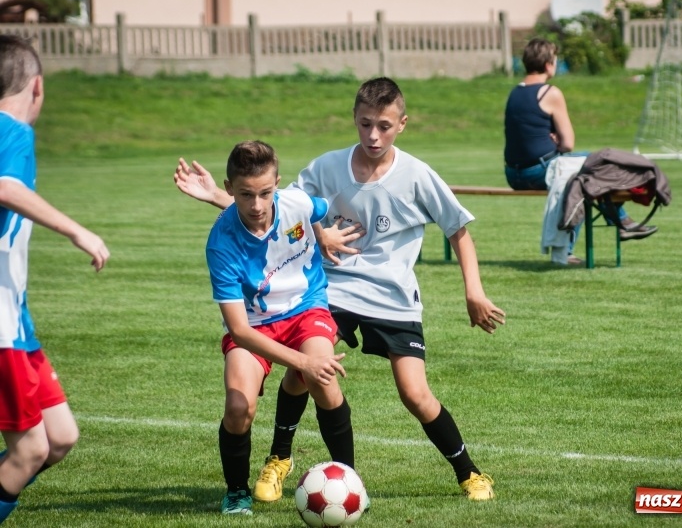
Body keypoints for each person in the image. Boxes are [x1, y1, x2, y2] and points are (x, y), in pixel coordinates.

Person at [174, 77, 505, 501]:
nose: (373, 135)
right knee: (307, 369)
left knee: (415, 393)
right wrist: (227, 201)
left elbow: (458, 229)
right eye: (365, 124)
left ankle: (469, 472)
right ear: (353, 118)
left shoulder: (418, 176)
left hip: (393, 296)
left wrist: (473, 291)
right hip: (337, 290)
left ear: (402, 124)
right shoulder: (328, 167)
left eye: (383, 126)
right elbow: (269, 209)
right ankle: (279, 458)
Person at [198, 140, 356, 515]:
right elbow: (239, 331)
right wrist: (301, 363)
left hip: (305, 309)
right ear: (229, 188)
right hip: (254, 325)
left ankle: (351, 480)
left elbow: (315, 213)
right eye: (245, 195)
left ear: (278, 185)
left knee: (324, 381)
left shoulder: (297, 202)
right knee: (238, 407)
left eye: (265, 193)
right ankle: (236, 493)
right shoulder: (221, 243)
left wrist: (324, 234)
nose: (256, 205)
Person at [0, 34, 111, 524]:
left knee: (60, 438)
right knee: (28, 452)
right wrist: (77, 230)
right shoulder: (13, 132)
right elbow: (6, 187)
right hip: (1, 328)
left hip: (16, 321)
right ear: (37, 87)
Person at [503, 38, 656, 264]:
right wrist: (556, 141)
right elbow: (568, 144)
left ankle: (622, 223)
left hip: (513, 175)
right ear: (548, 65)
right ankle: (614, 226)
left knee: (587, 171)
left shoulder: (514, 93)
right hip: (539, 172)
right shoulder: (550, 93)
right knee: (594, 165)